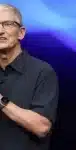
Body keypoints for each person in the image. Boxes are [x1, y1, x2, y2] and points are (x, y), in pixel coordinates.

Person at [0, 3, 58, 150]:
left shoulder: (42, 71)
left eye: (7, 24)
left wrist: (1, 102)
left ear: (21, 32)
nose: (0, 31)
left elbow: (42, 127)